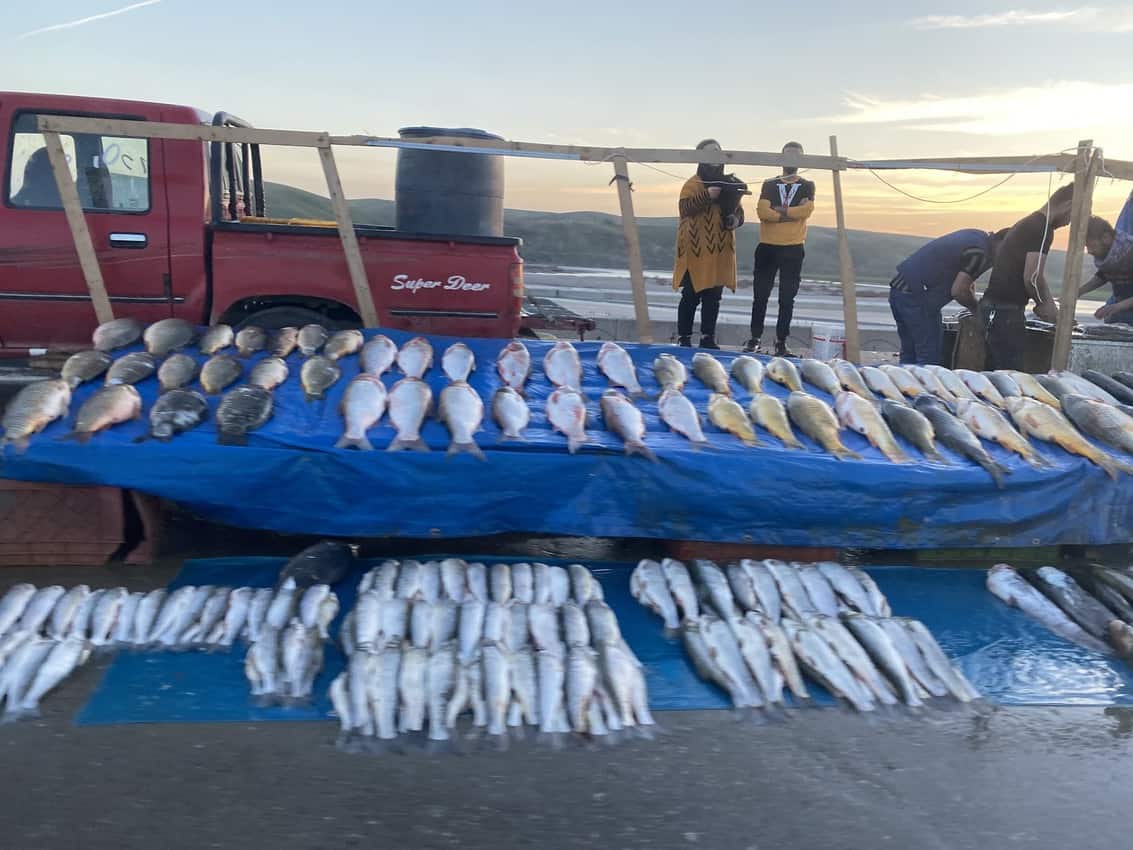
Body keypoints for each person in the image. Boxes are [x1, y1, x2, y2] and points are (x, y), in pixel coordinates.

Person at [978, 184, 1073, 370]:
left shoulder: (1029, 222)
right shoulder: (1042, 228)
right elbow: (1032, 277)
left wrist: (1048, 303)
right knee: (1009, 374)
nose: (1068, 223)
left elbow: (1033, 274)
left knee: (994, 372)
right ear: (1068, 205)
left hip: (993, 308)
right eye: (1072, 217)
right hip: (1005, 313)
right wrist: (1043, 303)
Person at [888, 227, 1009, 365]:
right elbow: (959, 290)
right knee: (929, 359)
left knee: (910, 353)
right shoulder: (979, 253)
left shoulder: (977, 238)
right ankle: (925, 385)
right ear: (1002, 243)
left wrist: (970, 295)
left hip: (899, 291)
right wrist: (977, 310)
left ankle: (906, 385)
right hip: (917, 298)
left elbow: (966, 279)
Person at [743, 141, 815, 356]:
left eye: (796, 156)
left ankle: (781, 342)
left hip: (793, 248)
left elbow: (807, 210)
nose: (791, 160)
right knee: (761, 296)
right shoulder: (770, 184)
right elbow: (762, 212)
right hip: (768, 247)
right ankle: (754, 338)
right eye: (788, 155)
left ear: (801, 159)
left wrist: (779, 211)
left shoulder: (807, 184)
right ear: (780, 158)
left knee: (786, 298)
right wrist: (790, 212)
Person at [672, 139, 745, 348]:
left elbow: (739, 212)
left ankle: (707, 338)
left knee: (713, 298)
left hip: (720, 250)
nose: (714, 156)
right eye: (709, 153)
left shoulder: (730, 183)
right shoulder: (692, 184)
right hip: (695, 250)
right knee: (690, 296)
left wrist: (735, 220)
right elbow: (684, 209)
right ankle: (683, 338)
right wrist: (707, 195)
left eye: (717, 152)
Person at [1080, 210, 1133, 325]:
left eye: (1092, 245)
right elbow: (1104, 274)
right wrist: (1079, 292)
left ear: (1106, 238)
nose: (1089, 251)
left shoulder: (1130, 252)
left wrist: (1117, 307)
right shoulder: (1111, 257)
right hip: (1121, 300)